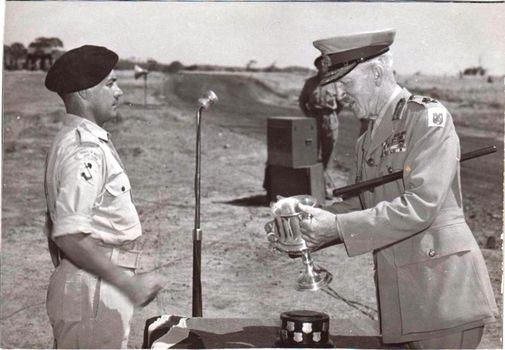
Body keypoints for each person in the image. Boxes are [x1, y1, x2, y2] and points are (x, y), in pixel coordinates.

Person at [295, 29, 498, 349]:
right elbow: (361, 204)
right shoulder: (368, 138)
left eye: (346, 83)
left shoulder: (428, 118)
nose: (342, 95)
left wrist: (335, 226)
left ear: (376, 73)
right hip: (403, 296)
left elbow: (421, 204)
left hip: (443, 296)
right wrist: (311, 225)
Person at [43, 45, 163, 349]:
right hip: (95, 291)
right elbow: (68, 234)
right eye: (110, 83)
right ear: (84, 93)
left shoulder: (70, 140)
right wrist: (126, 283)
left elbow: (53, 223)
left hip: (89, 283)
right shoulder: (86, 151)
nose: (119, 92)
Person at [298, 56, 341, 197]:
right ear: (316, 66)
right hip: (313, 120)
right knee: (312, 153)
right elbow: (302, 101)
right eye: (321, 63)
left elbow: (341, 103)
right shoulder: (310, 82)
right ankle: (311, 186)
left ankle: (325, 187)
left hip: (330, 121)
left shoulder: (335, 82)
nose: (324, 65)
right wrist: (309, 116)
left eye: (326, 63)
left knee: (328, 155)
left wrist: (331, 115)